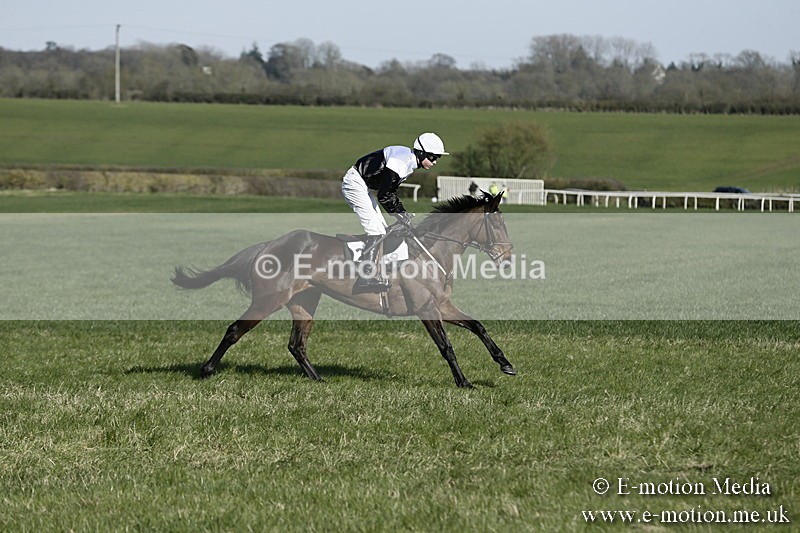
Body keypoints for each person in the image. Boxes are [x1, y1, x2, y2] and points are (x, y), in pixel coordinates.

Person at [341, 132, 449, 292]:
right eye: (433, 157)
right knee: (376, 230)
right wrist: (400, 213)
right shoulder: (401, 162)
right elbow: (384, 195)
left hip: (363, 185)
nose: (435, 162)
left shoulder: (408, 160)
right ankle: (365, 278)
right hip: (355, 183)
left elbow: (389, 192)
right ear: (421, 153)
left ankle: (375, 267)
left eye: (437, 158)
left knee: (381, 230)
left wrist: (401, 212)